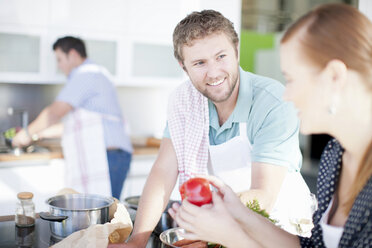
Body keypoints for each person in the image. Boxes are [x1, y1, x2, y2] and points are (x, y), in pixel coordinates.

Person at [169, 3, 372, 248]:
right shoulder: (334, 157)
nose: (286, 95)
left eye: (292, 79)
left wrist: (229, 234)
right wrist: (234, 210)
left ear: (335, 77)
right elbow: (308, 246)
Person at [112, 10, 311, 247]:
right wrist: (137, 241)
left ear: (236, 51)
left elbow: (264, 196)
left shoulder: (272, 102)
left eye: (221, 56)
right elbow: (163, 171)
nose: (214, 72)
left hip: (279, 229)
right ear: (183, 67)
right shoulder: (185, 104)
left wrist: (202, 226)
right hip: (219, 229)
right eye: (199, 63)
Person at [12, 36, 132, 199]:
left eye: (60, 59)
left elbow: (55, 112)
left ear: (73, 55)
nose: (59, 65)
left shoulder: (86, 74)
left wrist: (25, 134)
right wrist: (38, 134)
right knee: (100, 215)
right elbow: (71, 126)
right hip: (112, 155)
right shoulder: (95, 73)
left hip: (109, 157)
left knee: (104, 215)